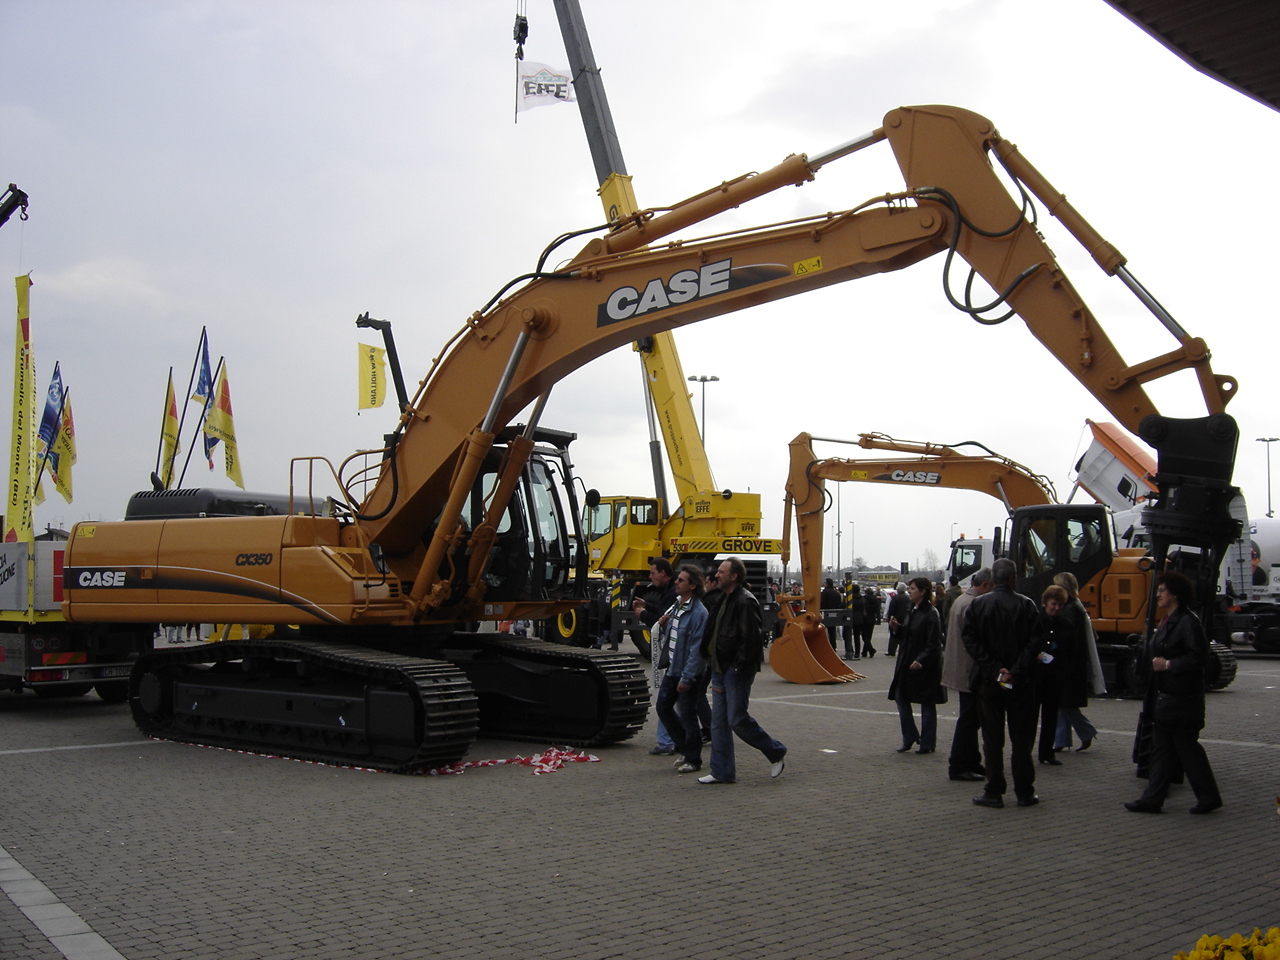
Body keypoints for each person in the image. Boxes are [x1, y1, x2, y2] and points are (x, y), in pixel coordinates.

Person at [1125, 570, 1223, 815]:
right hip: (1166, 700)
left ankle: (1208, 797)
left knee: (1188, 750)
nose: (1158, 595)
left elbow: (1199, 657)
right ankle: (1153, 798)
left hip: (1181, 700)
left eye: (1162, 591)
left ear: (1175, 595)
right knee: (1162, 750)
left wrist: (1168, 664)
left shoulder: (1188, 621)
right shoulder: (1169, 620)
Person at [697, 557, 787, 784]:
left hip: (735, 670)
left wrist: (738, 666)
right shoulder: (722, 598)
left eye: (721, 571)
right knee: (718, 722)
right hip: (719, 667)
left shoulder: (745, 601)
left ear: (734, 576)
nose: (717, 575)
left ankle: (775, 750)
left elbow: (751, 639)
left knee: (737, 719)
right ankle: (721, 771)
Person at [962, 557, 1042, 809]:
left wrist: (995, 668)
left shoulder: (978, 605)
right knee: (1021, 738)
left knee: (992, 738)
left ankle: (994, 790)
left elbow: (970, 640)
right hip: (1020, 681)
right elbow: (1035, 642)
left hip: (989, 680)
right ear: (1012, 578)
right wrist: (1014, 671)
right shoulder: (1026, 605)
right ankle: (1025, 791)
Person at [653, 564, 710, 773]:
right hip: (673, 668)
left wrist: (687, 678)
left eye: (681, 580)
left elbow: (697, 650)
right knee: (663, 707)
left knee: (688, 715)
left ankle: (693, 759)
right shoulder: (677, 605)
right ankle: (686, 748)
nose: (676, 583)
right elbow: (674, 636)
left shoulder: (699, 613)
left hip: (688, 672)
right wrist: (664, 625)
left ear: (692, 585)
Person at [942, 566, 992, 782]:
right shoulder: (973, 604)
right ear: (985, 585)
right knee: (970, 720)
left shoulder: (962, 601)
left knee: (971, 718)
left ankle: (971, 761)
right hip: (969, 670)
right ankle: (959, 764)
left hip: (960, 669)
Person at [887, 577, 946, 754]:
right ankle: (910, 735)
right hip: (907, 662)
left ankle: (927, 742)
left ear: (922, 591)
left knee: (927, 702)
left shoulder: (931, 613)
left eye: (913, 589)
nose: (910, 591)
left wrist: (921, 659)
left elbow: (934, 643)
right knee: (901, 697)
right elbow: (909, 635)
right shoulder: (912, 610)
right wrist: (897, 629)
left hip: (924, 666)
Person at [1052, 571, 1104, 753]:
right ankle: (1062, 739)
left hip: (1069, 664)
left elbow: (1067, 636)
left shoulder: (1070, 609)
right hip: (1073, 663)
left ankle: (1084, 732)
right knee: (1064, 704)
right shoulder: (1075, 606)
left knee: (1065, 703)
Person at [634, 558, 679, 755]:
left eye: (652, 573)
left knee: (664, 701)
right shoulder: (669, 593)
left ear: (663, 573)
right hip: (675, 656)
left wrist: (643, 614)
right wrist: (648, 607)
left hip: (672, 656)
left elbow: (661, 623)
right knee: (679, 702)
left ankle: (667, 742)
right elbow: (662, 613)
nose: (650, 576)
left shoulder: (672, 593)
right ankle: (678, 739)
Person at [1033, 584, 1073, 766]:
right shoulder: (1035, 621)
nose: (1056, 608)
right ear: (1045, 603)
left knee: (1050, 717)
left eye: (1060, 605)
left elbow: (1070, 651)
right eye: (1054, 604)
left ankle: (1047, 752)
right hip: (1036, 675)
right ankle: (1027, 750)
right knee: (1031, 717)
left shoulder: (1066, 625)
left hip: (1054, 676)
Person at [886, 582, 911, 656]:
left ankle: (891, 651)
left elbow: (891, 609)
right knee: (903, 635)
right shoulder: (908, 598)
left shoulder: (895, 598)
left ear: (898, 589)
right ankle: (903, 650)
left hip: (896, 618)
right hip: (905, 618)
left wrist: (889, 618)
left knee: (893, 635)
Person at [821, 578, 843, 651]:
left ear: (826, 584)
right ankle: (833, 647)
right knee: (832, 632)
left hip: (825, 614)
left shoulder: (824, 593)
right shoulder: (837, 594)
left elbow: (822, 604)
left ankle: (825, 647)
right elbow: (839, 604)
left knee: (822, 631)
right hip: (834, 614)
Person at [845, 583, 864, 660]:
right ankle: (857, 652)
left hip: (850, 618)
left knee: (847, 635)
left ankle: (850, 650)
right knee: (857, 636)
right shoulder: (862, 599)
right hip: (859, 619)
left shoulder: (849, 599)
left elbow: (843, 606)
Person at [860, 587, 880, 657]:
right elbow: (878, 609)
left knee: (864, 636)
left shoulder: (864, 599)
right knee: (868, 636)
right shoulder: (876, 599)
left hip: (865, 619)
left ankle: (871, 650)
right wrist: (878, 619)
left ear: (866, 593)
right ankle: (864, 652)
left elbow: (863, 609)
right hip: (872, 618)